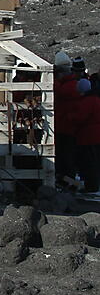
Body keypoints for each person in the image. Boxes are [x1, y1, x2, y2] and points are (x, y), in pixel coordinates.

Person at [54, 52, 81, 188]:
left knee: (66, 156)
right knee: (64, 155)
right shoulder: (72, 83)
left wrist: (56, 81)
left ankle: (68, 181)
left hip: (66, 126)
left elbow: (59, 92)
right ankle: (65, 180)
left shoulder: (69, 85)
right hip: (64, 125)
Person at [77, 77, 100, 196]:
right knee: (94, 160)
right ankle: (93, 184)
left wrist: (71, 117)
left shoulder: (87, 101)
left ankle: (91, 186)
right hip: (95, 134)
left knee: (89, 162)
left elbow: (81, 117)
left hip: (88, 135)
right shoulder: (96, 99)